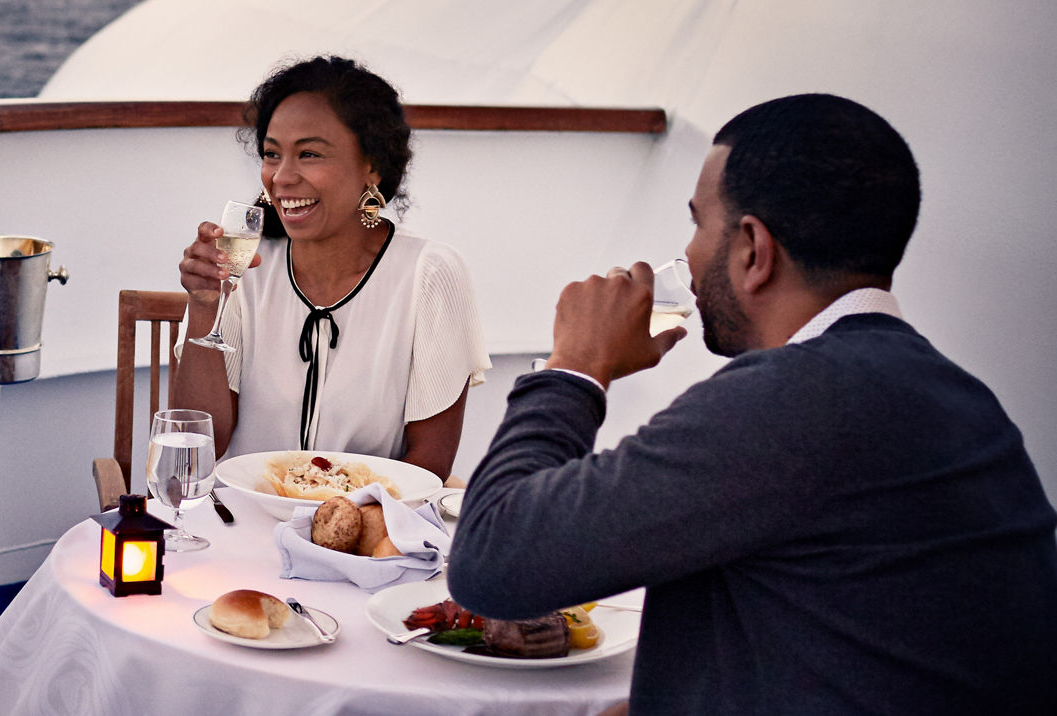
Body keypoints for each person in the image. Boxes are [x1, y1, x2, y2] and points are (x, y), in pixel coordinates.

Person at [448, 94, 1057, 715]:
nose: (686, 254)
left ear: (752, 250)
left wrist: (575, 368)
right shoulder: (958, 399)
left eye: (697, 224)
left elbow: (493, 563)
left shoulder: (798, 400)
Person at [171, 55, 490, 480]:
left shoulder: (428, 275)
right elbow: (199, 451)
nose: (281, 177)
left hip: (361, 531)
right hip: (243, 519)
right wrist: (205, 306)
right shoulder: (242, 261)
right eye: (271, 154)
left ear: (372, 165)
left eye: (309, 154)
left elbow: (428, 465)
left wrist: (336, 527)